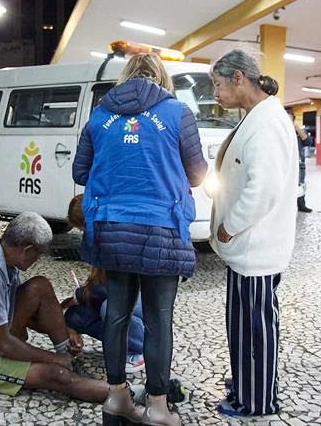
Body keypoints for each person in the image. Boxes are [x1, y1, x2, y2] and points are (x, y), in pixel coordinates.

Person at [73, 53, 208, 426]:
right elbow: (197, 175)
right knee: (157, 320)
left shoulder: (100, 115)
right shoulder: (177, 113)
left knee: (116, 313)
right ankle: (158, 408)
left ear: (125, 77)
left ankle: (116, 399)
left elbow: (80, 171)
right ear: (162, 78)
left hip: (112, 231)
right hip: (161, 230)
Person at [0, 212, 142, 417]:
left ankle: (68, 357)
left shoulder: (4, 259)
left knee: (40, 286)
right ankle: (131, 394)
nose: (38, 258)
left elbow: (22, 314)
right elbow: (2, 345)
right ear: (27, 250)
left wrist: (66, 331)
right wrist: (53, 359)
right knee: (56, 375)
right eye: (39, 254)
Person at [208, 49, 298, 417]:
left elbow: (263, 190)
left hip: (255, 247)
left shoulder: (266, 123)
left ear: (239, 78)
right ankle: (248, 379)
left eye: (218, 85)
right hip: (246, 249)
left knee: (256, 329)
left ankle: (257, 399)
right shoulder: (256, 116)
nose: (215, 93)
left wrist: (229, 227)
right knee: (242, 325)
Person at [62, 194, 146, 374]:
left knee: (110, 308)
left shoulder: (117, 235)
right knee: (74, 316)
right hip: (114, 297)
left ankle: (139, 349)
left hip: (138, 300)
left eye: (83, 229)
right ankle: (118, 344)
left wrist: (80, 295)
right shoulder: (97, 238)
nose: (84, 234)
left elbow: (112, 289)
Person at [287, 111, 314, 213]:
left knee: (300, 184)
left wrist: (296, 128)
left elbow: (308, 141)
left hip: (299, 164)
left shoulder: (299, 132)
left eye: (290, 119)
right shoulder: (280, 131)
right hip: (286, 164)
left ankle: (301, 205)